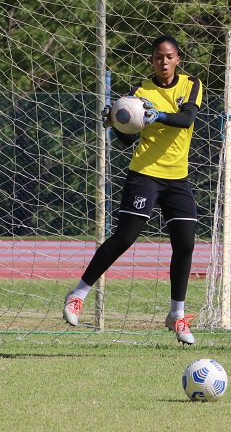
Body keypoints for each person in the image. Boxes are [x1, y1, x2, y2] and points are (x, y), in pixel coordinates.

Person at [63, 35, 204, 344]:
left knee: (185, 244)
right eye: (157, 57)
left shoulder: (191, 84)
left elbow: (187, 118)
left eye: (168, 56)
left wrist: (159, 115)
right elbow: (129, 138)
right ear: (152, 60)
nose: (163, 61)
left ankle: (176, 315)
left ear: (178, 59)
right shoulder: (139, 93)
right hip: (144, 175)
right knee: (125, 237)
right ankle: (78, 294)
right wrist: (115, 124)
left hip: (177, 178)